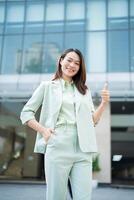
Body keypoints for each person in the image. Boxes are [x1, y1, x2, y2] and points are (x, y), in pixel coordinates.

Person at [20, 48, 110, 200]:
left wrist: (103, 103)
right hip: (58, 144)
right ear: (61, 60)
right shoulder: (47, 86)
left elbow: (92, 121)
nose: (72, 65)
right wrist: (43, 131)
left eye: (77, 63)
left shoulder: (84, 90)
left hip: (83, 148)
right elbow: (26, 113)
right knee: (56, 197)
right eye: (69, 60)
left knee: (83, 197)